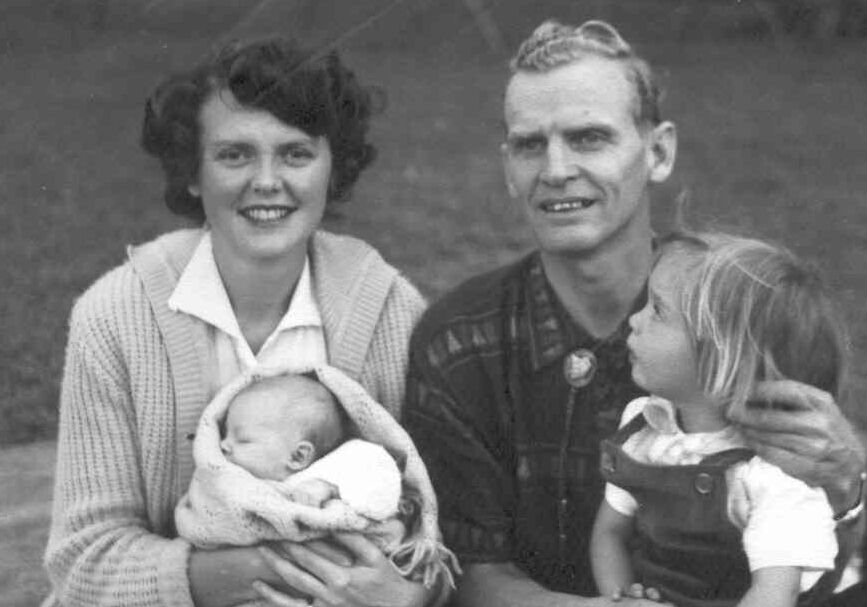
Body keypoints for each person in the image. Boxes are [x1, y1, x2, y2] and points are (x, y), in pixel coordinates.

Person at [402, 18, 866, 607]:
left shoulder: (738, 315)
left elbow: (816, 553)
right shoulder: (459, 338)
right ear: (507, 170)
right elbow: (467, 568)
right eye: (528, 145)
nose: (555, 169)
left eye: (589, 137)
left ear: (659, 152)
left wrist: (847, 483)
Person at [43, 37, 444, 607]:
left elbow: (442, 531)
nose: (266, 180)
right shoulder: (113, 317)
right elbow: (85, 563)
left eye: (296, 154)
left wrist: (413, 595)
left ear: (334, 170)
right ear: (191, 173)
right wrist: (257, 568)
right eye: (234, 155)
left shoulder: (389, 311)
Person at [591, 231, 845, 607]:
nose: (634, 320)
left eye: (658, 311)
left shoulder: (771, 476)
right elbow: (609, 534)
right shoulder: (643, 428)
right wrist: (620, 598)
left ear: (725, 360)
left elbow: (774, 594)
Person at [175, 367, 454, 586]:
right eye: (225, 434)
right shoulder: (232, 480)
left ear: (298, 457)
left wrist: (327, 488)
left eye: (243, 439)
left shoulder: (339, 465)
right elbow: (204, 520)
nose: (223, 446)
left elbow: (380, 487)